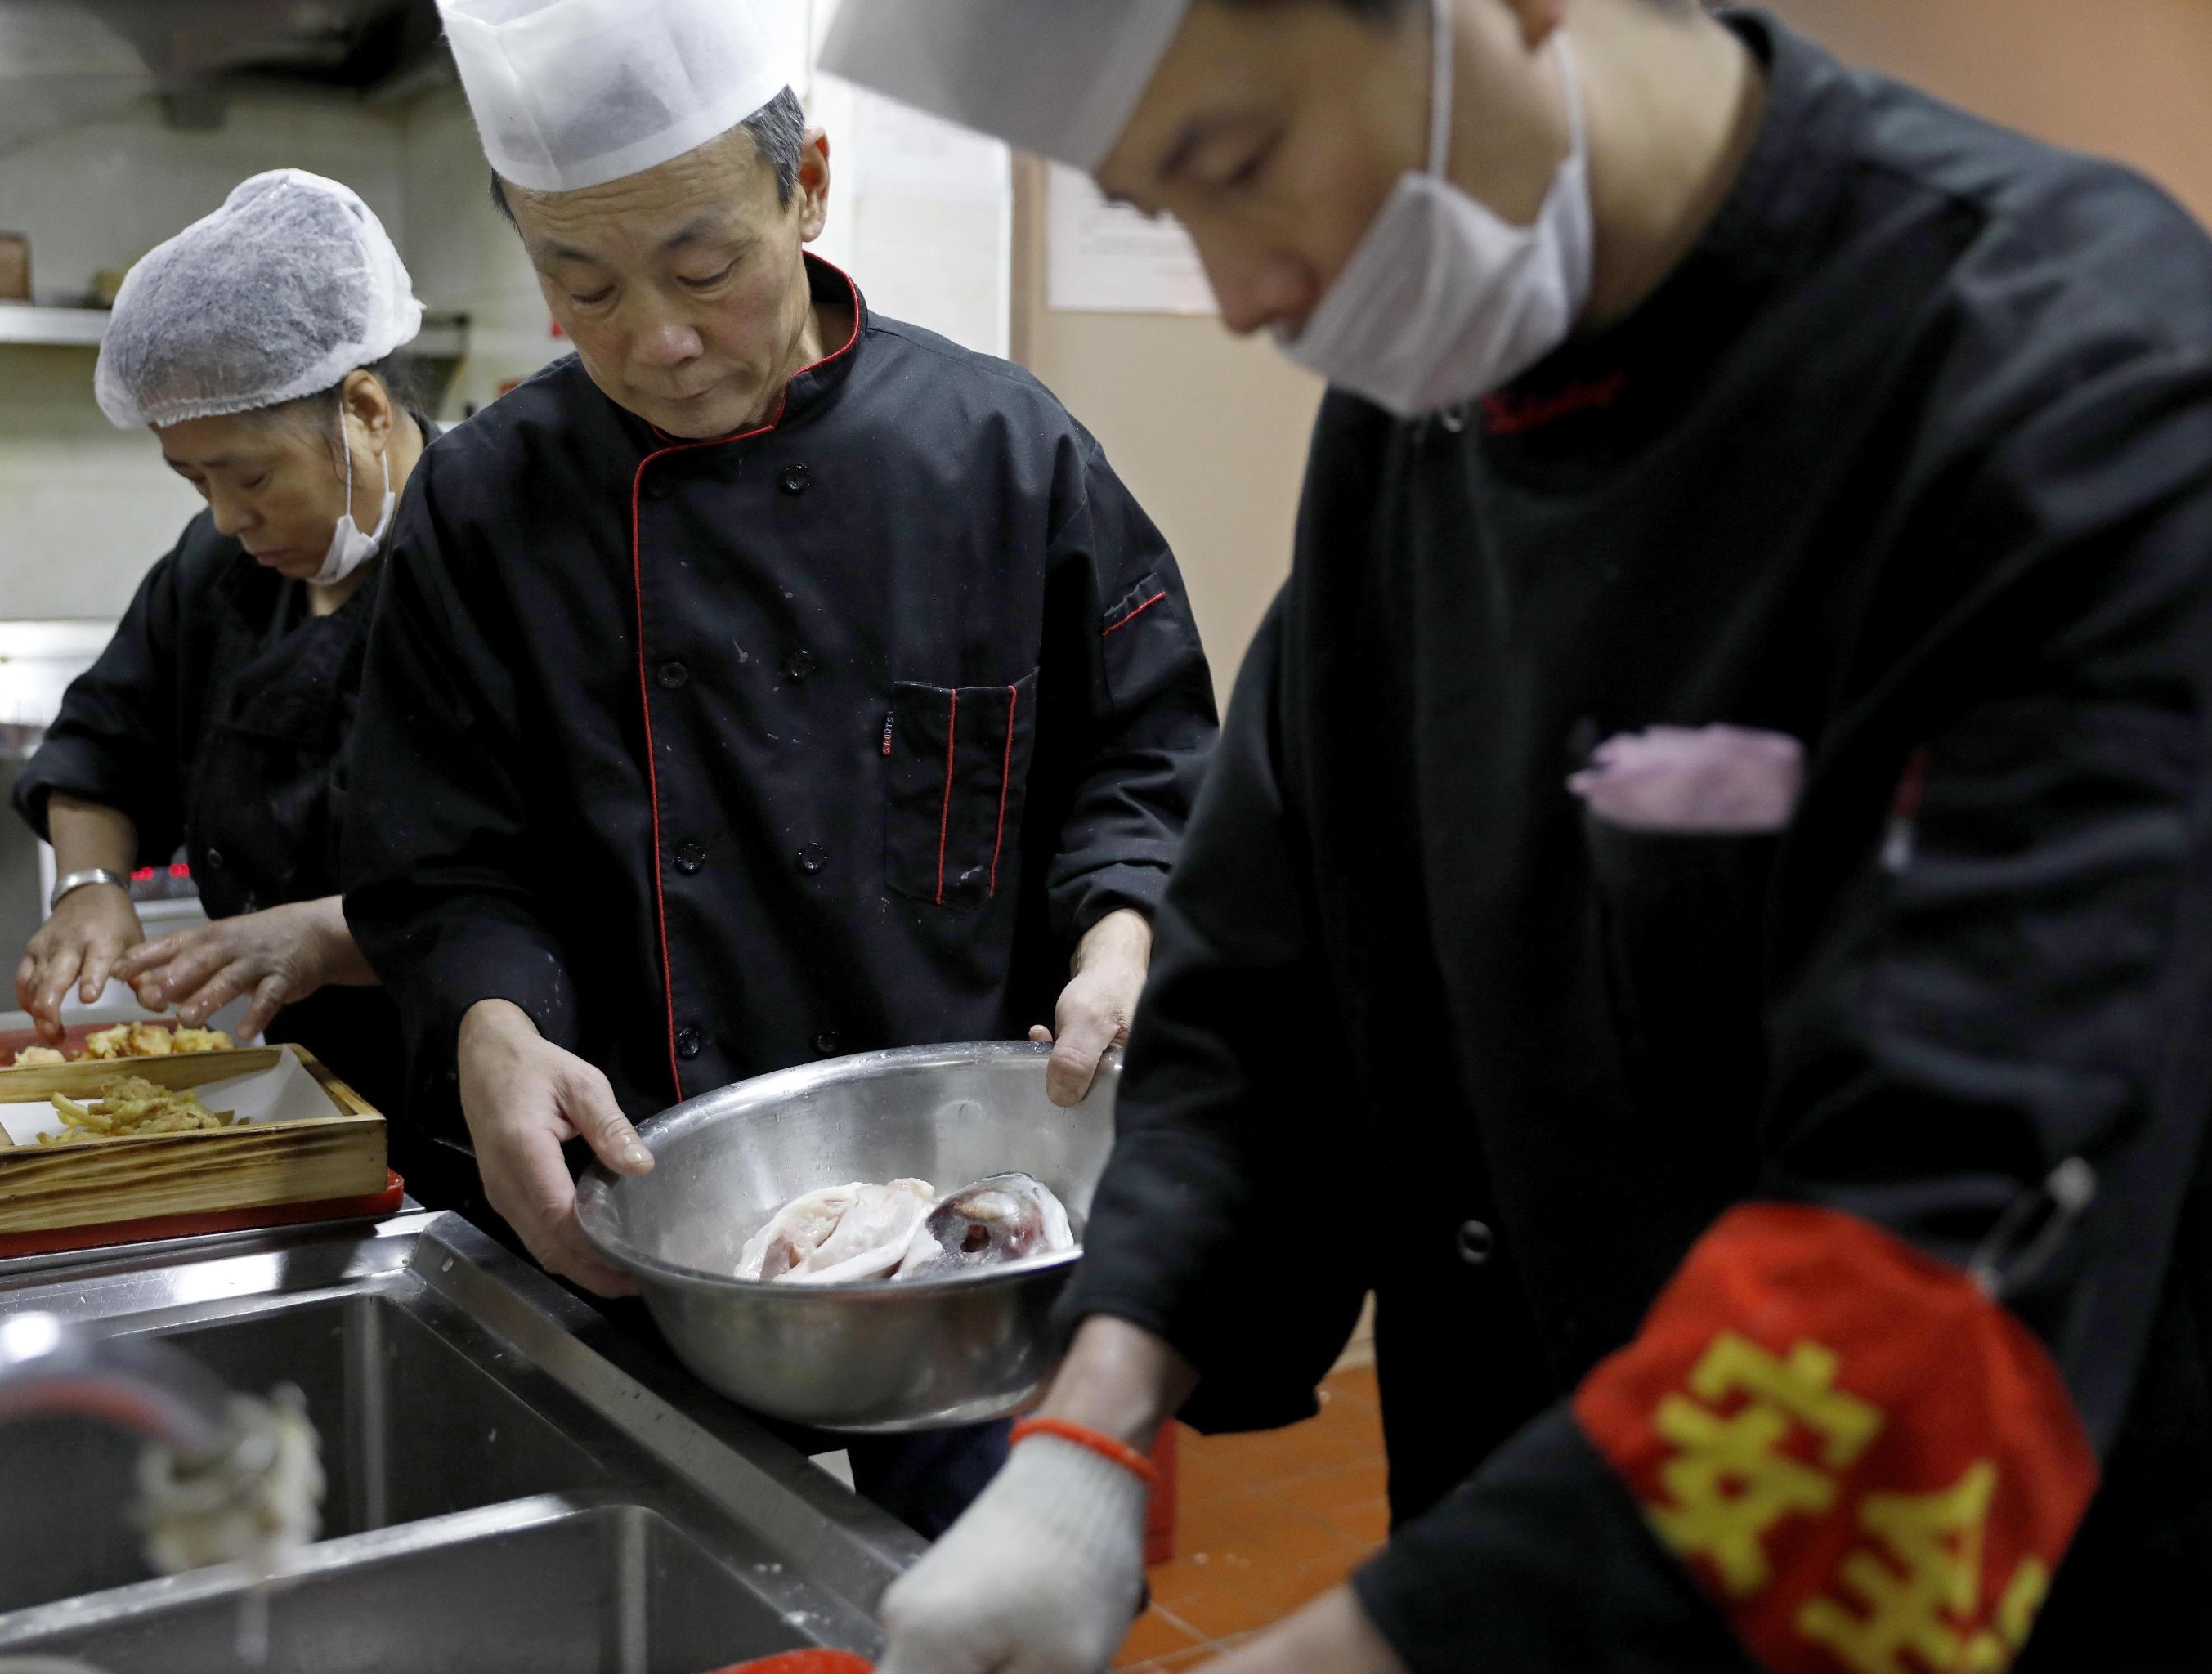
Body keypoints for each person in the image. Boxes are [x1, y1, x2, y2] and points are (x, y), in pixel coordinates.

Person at [825, 0, 2212, 1669]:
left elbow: (1949, 1229)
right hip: (1507, 1508)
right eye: (1158, 210)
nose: (1242, 294)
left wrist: (1355, 1654)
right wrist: (1084, 1439)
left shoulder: (2077, 384)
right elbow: (1263, 979)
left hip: (1917, 1572)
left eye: (1236, 163)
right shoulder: (1424, 401)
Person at [339, 0, 1217, 1538]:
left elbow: (1142, 755)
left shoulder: (1002, 454)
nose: (654, 341)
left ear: (805, 187)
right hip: (630, 1216)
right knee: (674, 1603)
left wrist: (1122, 936)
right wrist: (490, 1021)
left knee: (987, 1605)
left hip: (973, 1224)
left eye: (703, 270)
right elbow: (437, 852)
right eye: (581, 285)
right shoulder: (481, 509)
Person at [14, 169, 429, 1135]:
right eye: (194, 480)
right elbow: (102, 747)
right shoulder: (214, 572)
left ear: (365, 411)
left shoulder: (487, 554)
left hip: (476, 1084)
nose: (228, 516)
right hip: (295, 1091)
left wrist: (329, 934)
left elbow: (559, 865)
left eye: (250, 477)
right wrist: (89, 886)